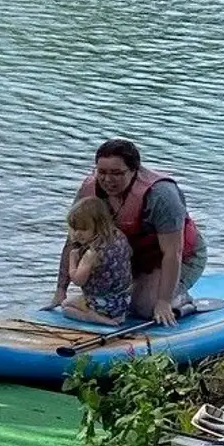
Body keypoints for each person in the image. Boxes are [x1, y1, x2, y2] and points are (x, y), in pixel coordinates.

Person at [69, 138, 205, 324]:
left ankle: (180, 300)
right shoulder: (90, 190)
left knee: (144, 308)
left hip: (182, 258)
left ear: (134, 170)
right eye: (102, 172)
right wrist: (60, 291)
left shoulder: (162, 195)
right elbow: (73, 240)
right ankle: (139, 288)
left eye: (116, 173)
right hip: (132, 259)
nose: (107, 180)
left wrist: (163, 302)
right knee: (113, 299)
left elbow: (173, 252)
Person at [58, 194, 135, 322]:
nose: (77, 234)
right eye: (74, 229)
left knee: (66, 306)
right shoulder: (119, 236)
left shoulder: (91, 253)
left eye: (83, 229)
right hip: (124, 300)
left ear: (98, 226)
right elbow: (130, 254)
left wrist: (72, 259)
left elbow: (78, 281)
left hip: (102, 305)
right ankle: (116, 316)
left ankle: (94, 317)